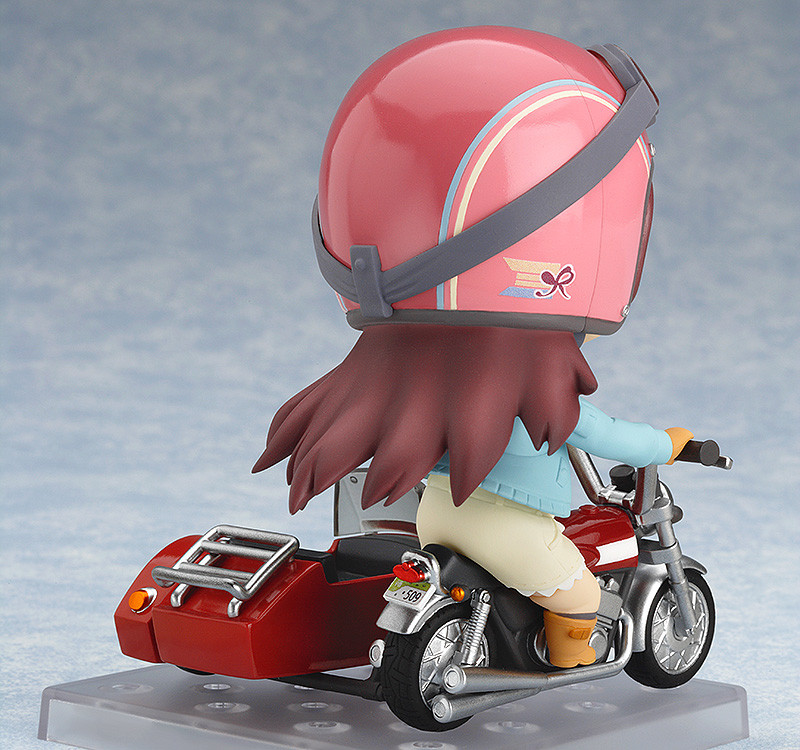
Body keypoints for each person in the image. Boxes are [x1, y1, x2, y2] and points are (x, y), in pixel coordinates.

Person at [253, 26, 692, 667]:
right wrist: (667, 444)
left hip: (435, 522)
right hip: (507, 531)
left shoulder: (426, 384)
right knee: (577, 594)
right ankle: (570, 662)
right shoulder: (544, 399)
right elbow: (610, 436)